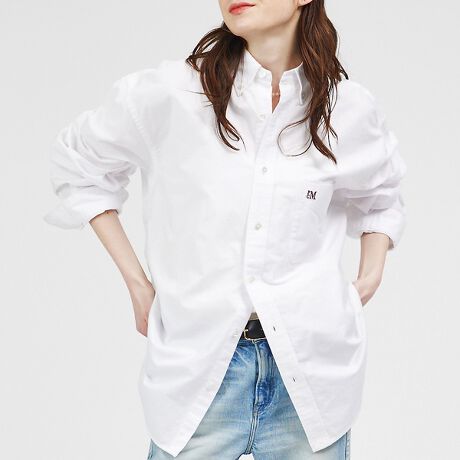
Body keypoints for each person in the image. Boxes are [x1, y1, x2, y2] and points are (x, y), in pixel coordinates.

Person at [44, 0, 407, 458]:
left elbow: (381, 194)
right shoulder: (173, 93)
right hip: (200, 372)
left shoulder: (346, 108)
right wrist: (137, 283)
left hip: (310, 374)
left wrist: (368, 277)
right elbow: (79, 163)